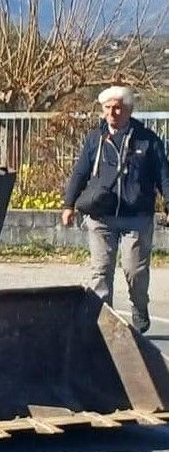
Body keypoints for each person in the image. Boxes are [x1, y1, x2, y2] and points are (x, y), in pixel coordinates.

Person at [61, 84, 167, 333]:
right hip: (101, 215)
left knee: (135, 272)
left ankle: (139, 307)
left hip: (136, 216)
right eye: (107, 108)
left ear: (129, 110)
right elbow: (80, 173)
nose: (112, 113)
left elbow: (164, 175)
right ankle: (102, 326)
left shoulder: (147, 140)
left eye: (118, 108)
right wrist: (68, 205)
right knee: (100, 273)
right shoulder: (95, 139)